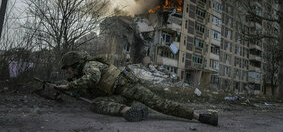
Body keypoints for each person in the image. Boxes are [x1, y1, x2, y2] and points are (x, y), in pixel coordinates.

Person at [56, 51, 218, 126]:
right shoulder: (82, 72)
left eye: (68, 68)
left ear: (75, 64)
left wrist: (69, 85)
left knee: (161, 104)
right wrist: (68, 89)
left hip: (130, 88)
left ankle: (201, 117)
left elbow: (93, 78)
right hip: (121, 96)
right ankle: (129, 110)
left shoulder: (89, 66)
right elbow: (90, 89)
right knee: (96, 103)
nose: (68, 72)